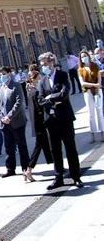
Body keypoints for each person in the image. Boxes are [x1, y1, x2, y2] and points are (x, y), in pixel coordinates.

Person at [36, 52, 83, 189]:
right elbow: (40, 99)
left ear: (51, 62)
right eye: (41, 65)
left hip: (65, 118)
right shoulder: (42, 81)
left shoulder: (62, 75)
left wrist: (50, 97)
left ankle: (76, 176)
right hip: (51, 120)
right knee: (55, 150)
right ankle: (58, 178)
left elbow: (64, 93)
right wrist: (51, 102)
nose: (43, 67)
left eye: (45, 64)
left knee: (70, 148)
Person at [0, 67, 29, 178]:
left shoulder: (16, 85)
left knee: (21, 145)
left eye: (4, 74)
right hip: (4, 122)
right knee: (8, 146)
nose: (2, 77)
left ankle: (25, 168)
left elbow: (19, 102)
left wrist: (9, 116)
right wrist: (2, 117)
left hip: (16, 121)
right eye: (0, 75)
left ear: (9, 74)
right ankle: (10, 169)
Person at [25, 64, 51, 183]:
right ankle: (29, 169)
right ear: (35, 79)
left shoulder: (31, 89)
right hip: (39, 122)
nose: (40, 80)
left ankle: (55, 164)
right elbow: (39, 108)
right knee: (39, 145)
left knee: (45, 143)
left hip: (37, 121)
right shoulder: (34, 92)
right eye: (39, 78)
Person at [79, 51, 103, 144]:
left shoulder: (95, 66)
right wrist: (94, 85)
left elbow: (99, 79)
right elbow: (82, 83)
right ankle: (93, 135)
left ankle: (102, 133)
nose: (84, 58)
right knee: (91, 114)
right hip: (88, 92)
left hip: (97, 91)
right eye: (82, 57)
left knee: (99, 112)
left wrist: (97, 85)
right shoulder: (80, 69)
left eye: (85, 56)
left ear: (88, 56)